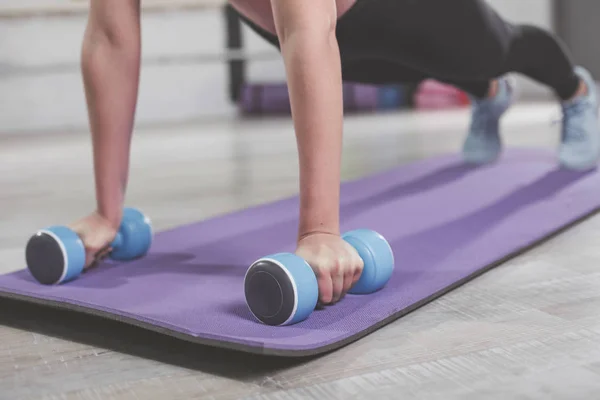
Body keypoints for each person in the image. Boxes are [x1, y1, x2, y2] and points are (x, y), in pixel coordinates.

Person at [71, 0, 598, 307]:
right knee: (390, 71)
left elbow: (309, 30)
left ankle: (575, 92)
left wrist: (319, 232)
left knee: (492, 46)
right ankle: (489, 93)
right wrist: (107, 213)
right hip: (305, 26)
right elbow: (112, 40)